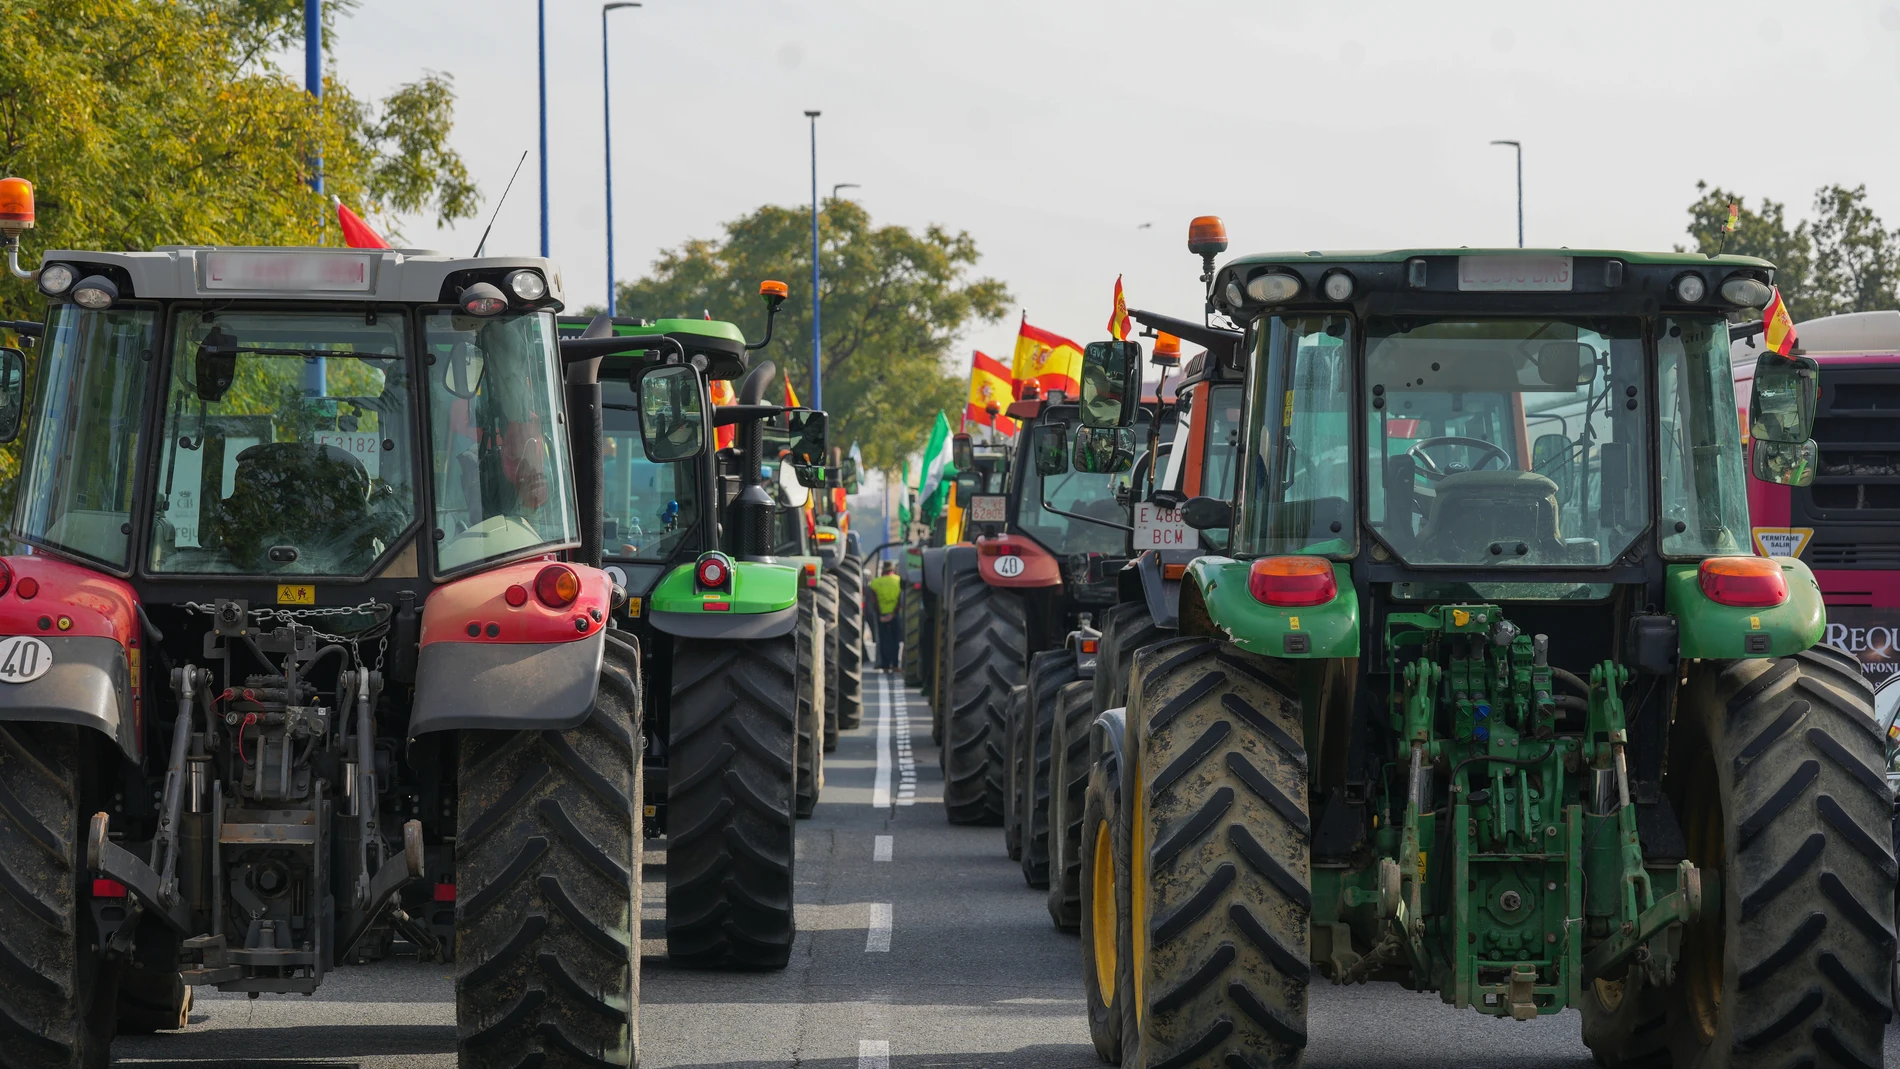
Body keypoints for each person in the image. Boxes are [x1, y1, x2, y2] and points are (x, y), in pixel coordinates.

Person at [869, 561, 903, 672]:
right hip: (895, 615)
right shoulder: (899, 581)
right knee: (895, 640)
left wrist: (880, 615)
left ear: (883, 570)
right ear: (893, 570)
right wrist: (893, 614)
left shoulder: (875, 583)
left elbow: (874, 601)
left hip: (881, 615)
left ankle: (885, 666)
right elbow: (900, 600)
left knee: (883, 641)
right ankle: (895, 664)